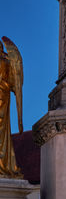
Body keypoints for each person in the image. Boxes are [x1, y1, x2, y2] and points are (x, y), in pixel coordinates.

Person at [0, 40, 23, 178]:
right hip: (4, 93)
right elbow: (15, 82)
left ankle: (4, 165)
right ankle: (5, 164)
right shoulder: (8, 60)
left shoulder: (6, 60)